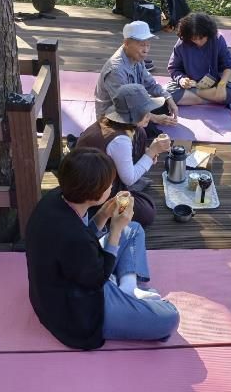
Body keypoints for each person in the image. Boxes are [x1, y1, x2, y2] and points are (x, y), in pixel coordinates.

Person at [25, 148, 180, 350]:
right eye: (109, 185)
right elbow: (98, 278)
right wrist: (115, 230)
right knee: (169, 317)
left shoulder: (57, 197)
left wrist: (104, 215)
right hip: (76, 310)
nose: (112, 187)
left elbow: (81, 242)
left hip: (69, 278)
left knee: (133, 230)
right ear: (94, 194)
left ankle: (127, 289)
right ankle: (125, 293)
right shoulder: (75, 239)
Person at [77, 84, 171, 227]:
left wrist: (148, 154)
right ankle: (102, 210)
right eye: (145, 112)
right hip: (95, 192)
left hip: (101, 175)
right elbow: (129, 179)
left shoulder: (111, 123)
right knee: (146, 212)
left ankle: (126, 188)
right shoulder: (120, 140)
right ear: (132, 116)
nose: (149, 115)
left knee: (141, 132)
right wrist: (151, 152)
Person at [95, 20, 179, 138]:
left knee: (164, 104)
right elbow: (124, 107)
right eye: (141, 45)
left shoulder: (136, 58)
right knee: (153, 135)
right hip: (114, 116)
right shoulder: (116, 70)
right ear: (126, 43)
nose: (146, 50)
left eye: (148, 45)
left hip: (133, 104)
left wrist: (168, 98)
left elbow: (150, 84)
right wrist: (154, 118)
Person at [166, 12, 231, 106]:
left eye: (201, 38)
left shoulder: (217, 39)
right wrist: (182, 79)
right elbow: (173, 68)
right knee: (167, 92)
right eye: (194, 39)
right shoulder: (182, 44)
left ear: (208, 33)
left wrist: (222, 85)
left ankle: (195, 98)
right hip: (190, 85)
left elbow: (228, 65)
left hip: (214, 83)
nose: (198, 42)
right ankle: (211, 98)